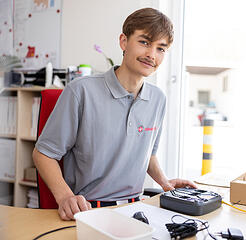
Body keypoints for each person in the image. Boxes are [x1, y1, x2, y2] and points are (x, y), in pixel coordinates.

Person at [33, 7, 196, 221]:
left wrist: (165, 182)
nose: (151, 55)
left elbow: (147, 153)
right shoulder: (80, 91)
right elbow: (43, 153)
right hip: (89, 212)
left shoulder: (158, 99)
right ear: (123, 41)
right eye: (145, 42)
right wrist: (65, 197)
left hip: (137, 210)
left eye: (161, 48)